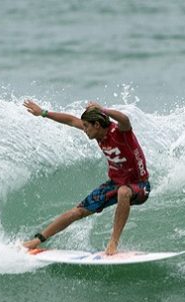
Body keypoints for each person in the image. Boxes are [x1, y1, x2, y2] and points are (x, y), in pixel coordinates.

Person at [22, 99, 150, 255]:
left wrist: (103, 110)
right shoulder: (97, 134)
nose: (84, 130)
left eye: (86, 127)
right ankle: (37, 240)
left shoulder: (120, 133)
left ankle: (113, 244)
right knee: (77, 212)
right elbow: (70, 120)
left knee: (124, 191)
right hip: (115, 184)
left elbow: (125, 119)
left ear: (97, 125)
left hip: (140, 186)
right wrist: (43, 113)